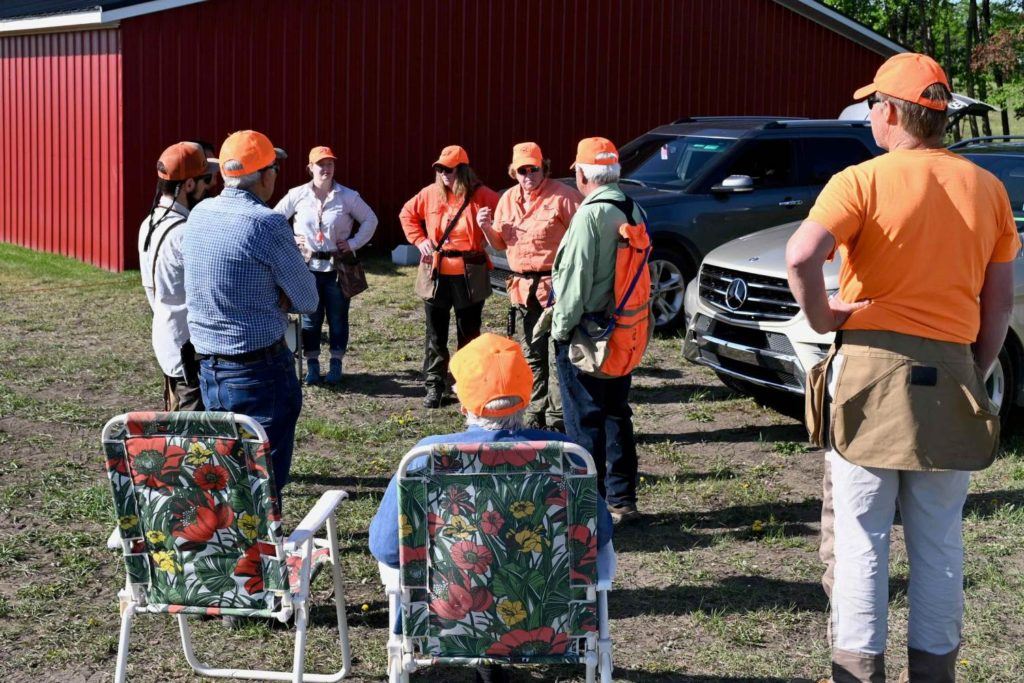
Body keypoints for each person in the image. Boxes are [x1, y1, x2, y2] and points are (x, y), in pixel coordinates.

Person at [785, 53, 1019, 683]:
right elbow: (997, 302)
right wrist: (977, 367)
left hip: (866, 378)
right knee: (939, 544)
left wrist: (825, 318)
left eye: (872, 107)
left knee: (862, 541)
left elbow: (801, 253)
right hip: (952, 374)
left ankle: (858, 674)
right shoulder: (989, 189)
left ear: (890, 111)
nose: (870, 118)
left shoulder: (860, 180)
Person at [369, 332, 614, 683]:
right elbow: (599, 533)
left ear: (464, 402)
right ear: (527, 396)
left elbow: (386, 547)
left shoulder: (426, 460)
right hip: (553, 623)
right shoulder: (566, 457)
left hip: (447, 624)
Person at [182, 130, 318, 499]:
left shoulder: (199, 214)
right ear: (264, 175)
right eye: (274, 167)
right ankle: (264, 544)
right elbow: (307, 299)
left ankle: (231, 536)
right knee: (264, 471)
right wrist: (286, 285)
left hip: (209, 364)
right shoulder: (267, 223)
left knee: (227, 463)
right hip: (258, 369)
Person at [550, 137, 642, 525]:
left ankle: (589, 507)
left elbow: (574, 281)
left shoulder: (590, 216)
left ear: (583, 173)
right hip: (623, 328)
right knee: (615, 413)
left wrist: (559, 330)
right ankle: (622, 500)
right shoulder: (630, 206)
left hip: (588, 334)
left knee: (583, 417)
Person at [478, 142, 582, 431]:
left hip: (556, 287)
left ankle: (557, 419)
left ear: (543, 168)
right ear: (514, 172)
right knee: (532, 355)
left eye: (533, 169)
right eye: (522, 170)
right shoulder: (508, 199)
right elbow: (499, 243)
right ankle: (535, 412)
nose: (527, 175)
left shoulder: (564, 197)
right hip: (522, 289)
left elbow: (584, 238)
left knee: (557, 354)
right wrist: (486, 227)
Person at [399, 145, 499, 408]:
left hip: (471, 273)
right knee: (435, 334)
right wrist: (419, 240)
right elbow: (407, 214)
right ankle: (435, 387)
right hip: (436, 274)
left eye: (449, 169)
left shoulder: (484, 196)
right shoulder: (429, 194)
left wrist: (488, 227)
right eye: (440, 169)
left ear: (463, 170)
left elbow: (503, 225)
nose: (443, 173)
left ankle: (468, 387)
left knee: (469, 334)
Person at [275, 145, 378, 385]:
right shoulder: (297, 194)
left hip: (338, 268)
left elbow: (370, 219)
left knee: (338, 317)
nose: (326, 169)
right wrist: (292, 239)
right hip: (307, 267)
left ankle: (335, 364)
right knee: (310, 318)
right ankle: (312, 365)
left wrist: (353, 243)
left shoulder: (347, 196)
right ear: (310, 168)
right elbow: (274, 219)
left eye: (330, 164)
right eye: (321, 164)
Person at [137, 141, 217, 411]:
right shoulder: (184, 233)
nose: (210, 187)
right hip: (187, 353)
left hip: (168, 340)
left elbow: (151, 289)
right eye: (206, 180)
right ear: (190, 184)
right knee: (192, 441)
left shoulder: (149, 222)